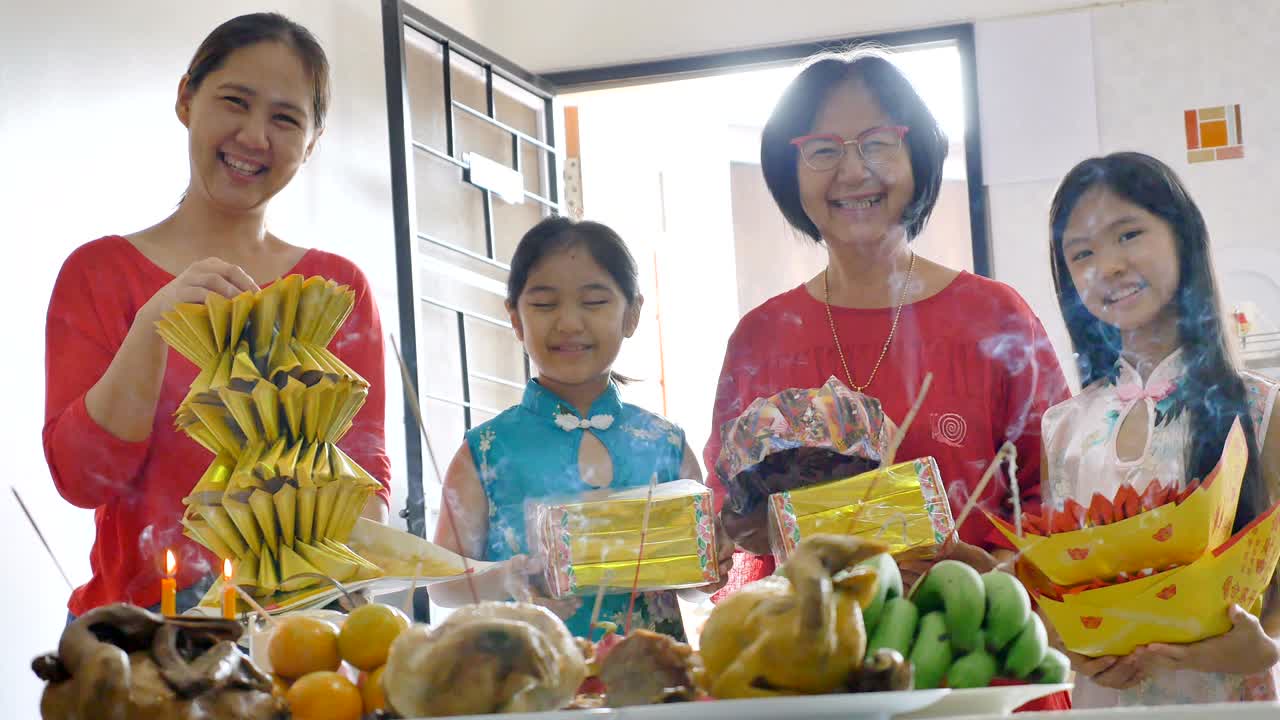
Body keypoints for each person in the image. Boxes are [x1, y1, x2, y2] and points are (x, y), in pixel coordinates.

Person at [43, 13, 390, 621]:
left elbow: (364, 474)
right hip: (142, 632)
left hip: (298, 629)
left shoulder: (337, 289)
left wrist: (349, 592)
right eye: (235, 101)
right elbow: (82, 480)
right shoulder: (100, 273)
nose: (255, 136)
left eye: (285, 118)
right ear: (186, 98)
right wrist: (153, 327)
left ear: (312, 142)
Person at [706, 50, 1069, 590]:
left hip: (978, 644)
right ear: (791, 173)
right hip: (814, 652)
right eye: (823, 150)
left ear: (917, 154)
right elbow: (727, 507)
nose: (853, 172)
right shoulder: (761, 337)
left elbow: (1056, 488)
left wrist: (985, 573)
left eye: (877, 143)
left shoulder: (996, 317)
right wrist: (745, 526)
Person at [1042, 151, 1280, 706]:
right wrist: (1076, 650)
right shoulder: (1064, 426)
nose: (1109, 266)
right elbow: (1062, 589)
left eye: (1128, 235)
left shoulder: (1259, 406)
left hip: (1228, 702)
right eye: (1082, 253)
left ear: (1182, 237)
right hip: (1103, 704)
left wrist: (1263, 643)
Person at [432, 216, 734, 640]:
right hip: (530, 682)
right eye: (544, 304)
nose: (569, 323)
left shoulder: (667, 444)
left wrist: (710, 568)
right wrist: (507, 578)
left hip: (652, 681)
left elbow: (692, 583)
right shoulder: (484, 450)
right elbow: (441, 582)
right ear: (515, 319)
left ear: (632, 315)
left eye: (594, 302)